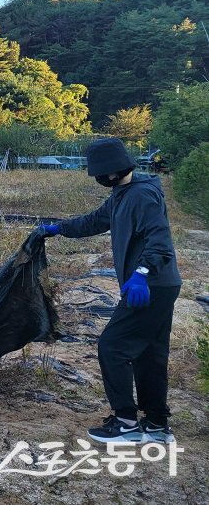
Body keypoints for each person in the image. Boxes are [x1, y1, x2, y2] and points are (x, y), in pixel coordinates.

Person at [38, 137, 181, 444]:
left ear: (113, 171)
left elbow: (161, 240)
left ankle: (126, 423)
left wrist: (142, 273)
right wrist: (57, 228)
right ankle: (156, 425)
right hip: (159, 283)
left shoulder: (142, 195)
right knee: (149, 353)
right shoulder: (122, 194)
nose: (99, 179)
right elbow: (94, 221)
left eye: (100, 173)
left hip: (149, 284)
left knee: (112, 347)